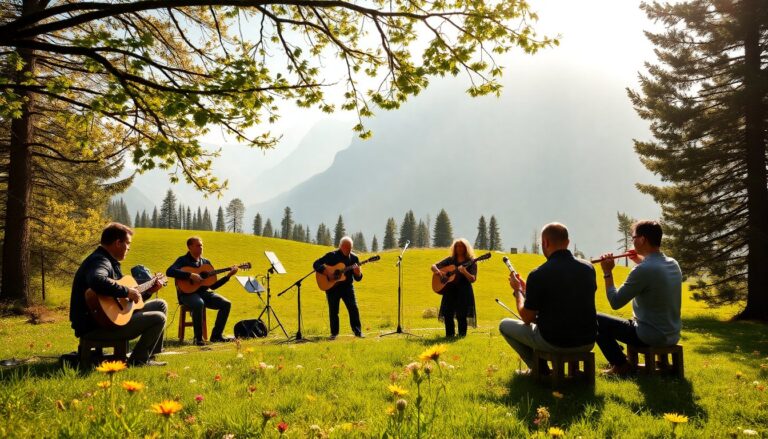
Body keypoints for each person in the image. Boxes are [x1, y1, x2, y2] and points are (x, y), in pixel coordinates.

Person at [499, 223, 596, 373]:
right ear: (568, 242)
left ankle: (540, 370)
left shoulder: (538, 274)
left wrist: (518, 291)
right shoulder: (588, 268)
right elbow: (566, 298)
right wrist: (529, 290)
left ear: (545, 243)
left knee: (504, 325)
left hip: (555, 341)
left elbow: (526, 317)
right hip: (587, 340)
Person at [70, 223, 167, 367]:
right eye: (127, 243)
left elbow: (125, 302)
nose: (129, 248)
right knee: (158, 318)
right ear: (117, 243)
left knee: (160, 305)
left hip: (104, 320)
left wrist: (148, 291)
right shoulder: (100, 260)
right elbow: (97, 280)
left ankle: (148, 355)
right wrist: (127, 291)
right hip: (95, 327)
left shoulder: (109, 261)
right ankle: (138, 361)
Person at [597, 220, 682, 376]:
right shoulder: (673, 263)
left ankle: (620, 364)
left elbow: (615, 302)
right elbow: (654, 272)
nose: (632, 240)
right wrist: (639, 260)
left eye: (633, 237)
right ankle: (620, 358)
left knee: (593, 319)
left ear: (642, 240)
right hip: (671, 334)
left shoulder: (643, 270)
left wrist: (607, 272)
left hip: (650, 335)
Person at [166, 236, 238, 345]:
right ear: (189, 247)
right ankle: (198, 339)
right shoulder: (182, 260)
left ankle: (216, 336)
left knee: (226, 304)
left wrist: (228, 276)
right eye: (198, 245)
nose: (201, 247)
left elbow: (213, 286)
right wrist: (190, 275)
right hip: (186, 294)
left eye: (202, 245)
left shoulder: (206, 263)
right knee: (199, 303)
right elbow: (169, 272)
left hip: (203, 293)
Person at [313, 236, 364, 339]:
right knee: (334, 311)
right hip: (332, 288)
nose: (347, 250)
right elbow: (316, 264)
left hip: (347, 287)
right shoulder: (332, 255)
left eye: (349, 248)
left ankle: (358, 332)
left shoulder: (354, 259)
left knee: (353, 308)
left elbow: (358, 278)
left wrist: (358, 273)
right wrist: (327, 272)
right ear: (340, 246)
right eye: (345, 248)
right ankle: (334, 333)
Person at [430, 238, 478, 338]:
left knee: (461, 315)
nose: (459, 248)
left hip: (464, 291)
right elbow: (433, 266)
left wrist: (464, 271)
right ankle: (449, 335)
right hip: (450, 290)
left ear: (466, 248)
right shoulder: (450, 260)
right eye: (457, 246)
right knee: (448, 313)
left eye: (461, 246)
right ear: (454, 248)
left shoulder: (471, 261)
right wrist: (438, 272)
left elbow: (473, 279)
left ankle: (461, 336)